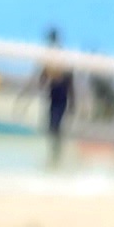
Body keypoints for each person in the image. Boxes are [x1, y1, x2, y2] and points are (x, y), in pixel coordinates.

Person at [44, 28, 74, 163]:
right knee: (52, 126)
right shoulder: (49, 55)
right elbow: (43, 75)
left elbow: (69, 78)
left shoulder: (60, 55)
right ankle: (54, 155)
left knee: (56, 126)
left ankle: (57, 155)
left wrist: (73, 100)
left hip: (61, 94)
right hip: (54, 94)